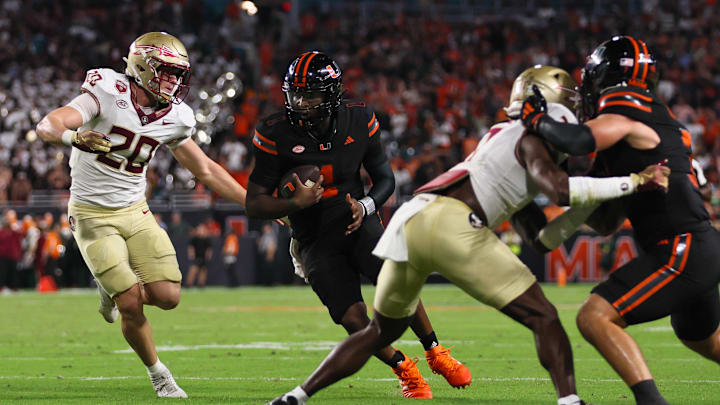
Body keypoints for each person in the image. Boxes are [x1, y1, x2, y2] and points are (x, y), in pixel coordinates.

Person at [267, 65, 670, 405]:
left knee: (378, 332)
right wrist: (633, 181)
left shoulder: (503, 137)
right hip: (453, 223)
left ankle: (296, 397)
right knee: (545, 317)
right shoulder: (534, 136)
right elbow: (561, 190)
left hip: (414, 220)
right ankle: (570, 401)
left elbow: (542, 239)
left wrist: (583, 210)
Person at [246, 51, 471, 399]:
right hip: (313, 236)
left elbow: (384, 178)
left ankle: (435, 350)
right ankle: (403, 367)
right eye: (296, 94)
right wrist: (293, 203)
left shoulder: (359, 117)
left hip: (356, 221)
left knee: (398, 281)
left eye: (312, 95)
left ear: (332, 94)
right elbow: (254, 203)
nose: (302, 103)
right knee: (352, 317)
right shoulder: (275, 131)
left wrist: (366, 206)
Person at [35, 32, 247, 398]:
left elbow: (207, 171)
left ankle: (110, 287)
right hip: (91, 214)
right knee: (131, 302)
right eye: (166, 72)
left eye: (178, 74)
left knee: (168, 296)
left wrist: (254, 204)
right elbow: (49, 124)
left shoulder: (177, 117)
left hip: (137, 211)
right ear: (142, 67)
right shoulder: (106, 91)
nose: (173, 81)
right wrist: (73, 138)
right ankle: (159, 374)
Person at [520, 36, 720, 405]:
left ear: (604, 78)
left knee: (594, 317)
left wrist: (538, 121)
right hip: (693, 247)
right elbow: (606, 223)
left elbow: (579, 138)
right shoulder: (643, 129)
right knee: (703, 340)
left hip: (682, 248)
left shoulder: (627, 102)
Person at [186, 223, 212, 287]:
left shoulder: (207, 239)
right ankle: (188, 284)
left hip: (203, 257)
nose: (201, 230)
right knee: (193, 270)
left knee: (203, 271)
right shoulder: (195, 239)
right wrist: (191, 254)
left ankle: (201, 284)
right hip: (196, 257)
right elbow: (191, 247)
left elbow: (209, 249)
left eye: (202, 229)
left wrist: (208, 255)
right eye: (199, 229)